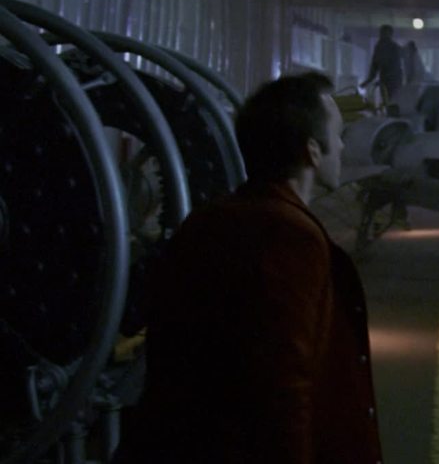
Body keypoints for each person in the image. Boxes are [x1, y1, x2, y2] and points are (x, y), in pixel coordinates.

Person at [113, 73, 383, 463]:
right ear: (312, 151)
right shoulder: (290, 236)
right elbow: (283, 388)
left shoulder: (207, 221)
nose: (342, 146)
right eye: (338, 135)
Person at [360, 24, 403, 103]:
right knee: (388, 102)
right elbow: (375, 65)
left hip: (393, 81)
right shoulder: (379, 47)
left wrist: (369, 80)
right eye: (382, 33)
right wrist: (368, 80)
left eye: (385, 33)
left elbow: (376, 66)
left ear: (390, 34)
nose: (383, 35)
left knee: (392, 101)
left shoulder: (393, 47)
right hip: (386, 81)